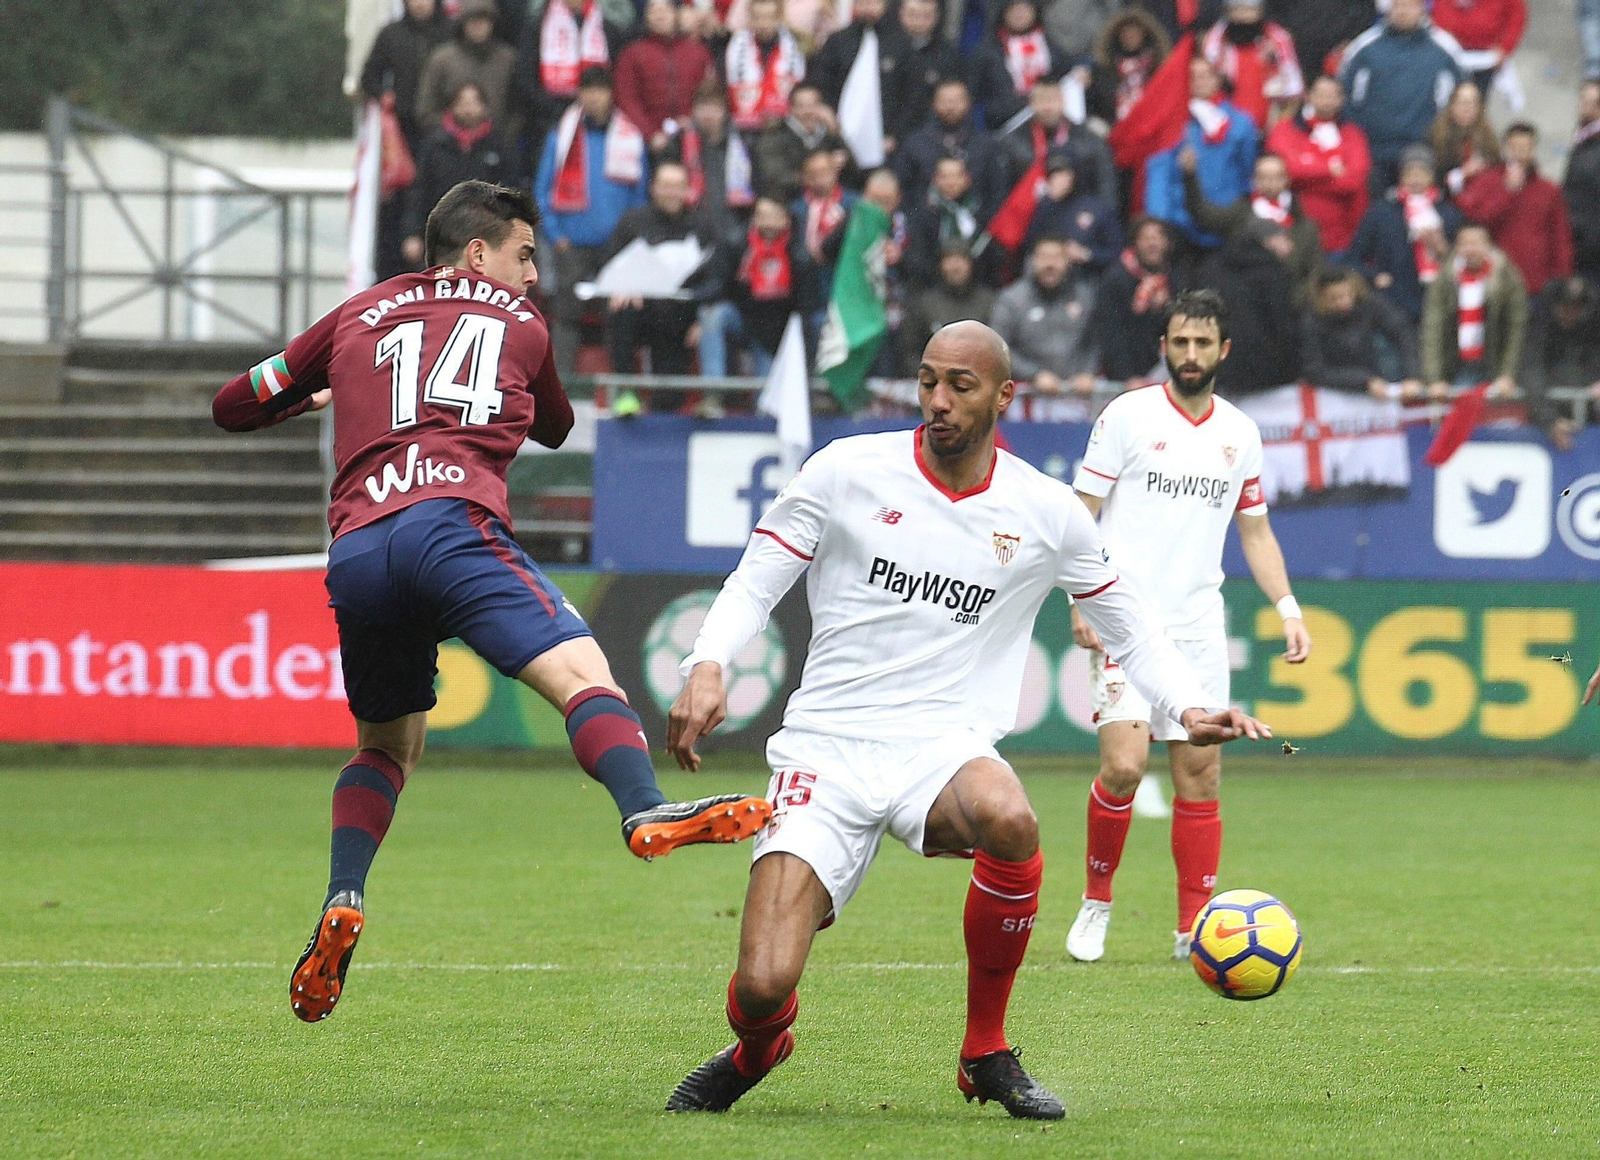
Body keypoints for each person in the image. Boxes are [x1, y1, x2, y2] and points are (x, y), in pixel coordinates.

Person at [663, 317, 1271, 1117]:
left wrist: (1185, 705)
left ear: (1003, 396)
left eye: (960, 385)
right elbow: (755, 579)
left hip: (941, 748)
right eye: (927, 381)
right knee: (761, 983)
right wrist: (706, 662)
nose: (938, 400)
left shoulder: (1046, 511)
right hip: (827, 748)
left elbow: (1126, 620)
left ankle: (985, 1051)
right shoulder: (847, 471)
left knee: (1010, 817)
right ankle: (759, 1044)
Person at [210, 181, 772, 1023]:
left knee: (390, 747)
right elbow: (552, 425)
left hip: (359, 550)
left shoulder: (358, 312)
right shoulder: (522, 324)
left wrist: (315, 389)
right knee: (584, 674)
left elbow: (234, 405)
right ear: (478, 253)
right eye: (524, 254)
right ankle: (644, 807)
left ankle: (344, 894)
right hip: (450, 526)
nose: (532, 274)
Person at [1065, 289, 1309, 964]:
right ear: (1164, 347)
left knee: (1200, 775)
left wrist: (1288, 609)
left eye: (1203, 344)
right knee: (1122, 765)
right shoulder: (1126, 416)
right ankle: (1096, 904)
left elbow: (1255, 531)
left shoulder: (1241, 433)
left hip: (1198, 624)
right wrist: (1078, 600)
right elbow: (1079, 513)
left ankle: (1193, 929)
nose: (1191, 354)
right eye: (1180, 342)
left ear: (1223, 351)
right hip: (1122, 616)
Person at [533, 66, 649, 377]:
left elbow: (640, 197)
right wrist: (556, 235)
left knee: (618, 320)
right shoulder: (561, 138)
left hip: (616, 247)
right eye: (588, 90)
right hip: (571, 244)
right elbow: (541, 193)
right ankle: (561, 390)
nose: (594, 97)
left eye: (601, 90)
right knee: (566, 318)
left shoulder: (630, 138)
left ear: (611, 95)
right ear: (579, 95)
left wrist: (630, 241)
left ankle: (620, 390)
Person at [361, 0, 455, 280]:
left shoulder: (449, 32)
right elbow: (369, 78)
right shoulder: (391, 34)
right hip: (402, 136)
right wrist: (387, 97)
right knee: (398, 204)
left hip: (441, 133)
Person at [602, 161, 720, 380]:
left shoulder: (702, 224)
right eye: (666, 186)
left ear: (687, 189)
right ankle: (625, 391)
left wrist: (701, 315)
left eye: (678, 186)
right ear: (653, 188)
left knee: (669, 392)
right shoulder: (632, 221)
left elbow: (713, 278)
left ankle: (664, 405)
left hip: (680, 313)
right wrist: (622, 287)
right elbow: (610, 263)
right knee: (621, 310)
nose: (672, 193)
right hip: (640, 308)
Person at [1339, 0, 1463, 194]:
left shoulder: (1445, 48)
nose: (1403, 11)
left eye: (1410, 5)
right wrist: (1358, 139)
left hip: (1424, 150)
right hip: (1374, 150)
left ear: (1422, 9)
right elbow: (1346, 95)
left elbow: (1460, 96)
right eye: (1398, 5)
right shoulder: (1364, 47)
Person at [1143, 55, 1259, 252]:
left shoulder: (1241, 123)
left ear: (1218, 79)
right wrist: (1159, 220)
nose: (1199, 82)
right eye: (1193, 76)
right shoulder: (1174, 122)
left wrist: (1238, 212)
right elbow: (1159, 173)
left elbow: (1248, 173)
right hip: (1181, 224)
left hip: (1225, 221)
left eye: (1206, 75)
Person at [1347, 144, 1463, 324]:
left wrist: (1442, 248)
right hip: (1392, 300)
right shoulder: (1382, 212)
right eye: (1410, 174)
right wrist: (1373, 276)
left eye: (1422, 173)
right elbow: (1354, 258)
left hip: (1437, 301)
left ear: (1432, 177)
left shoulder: (1448, 214)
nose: (1416, 180)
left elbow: (1462, 262)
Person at [1457, 123, 1574, 298]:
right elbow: (1476, 221)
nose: (1519, 153)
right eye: (1514, 147)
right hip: (1492, 280)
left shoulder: (1548, 190)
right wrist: (1507, 191)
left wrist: (1561, 279)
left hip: (1535, 282)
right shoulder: (1487, 181)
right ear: (1506, 148)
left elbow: (1560, 237)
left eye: (1525, 147)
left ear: (1534, 149)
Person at [401, 83, 512, 268]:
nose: (469, 110)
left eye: (474, 103)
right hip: (442, 236)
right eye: (463, 103)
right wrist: (412, 234)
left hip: (486, 237)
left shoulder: (498, 145)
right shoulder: (435, 145)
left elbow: (510, 194)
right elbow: (418, 193)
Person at [990, 237, 1100, 419]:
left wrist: (1088, 372)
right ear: (1032, 261)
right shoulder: (1011, 299)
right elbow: (998, 348)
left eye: (1057, 257)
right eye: (1043, 257)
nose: (1050, 264)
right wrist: (1034, 374)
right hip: (1026, 397)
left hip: (1078, 396)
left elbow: (1096, 341)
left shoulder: (1085, 297)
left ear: (1068, 261)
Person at [697, 195, 806, 378]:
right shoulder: (735, 244)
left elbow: (804, 304)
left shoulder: (799, 254)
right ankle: (713, 393)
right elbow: (718, 286)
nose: (768, 222)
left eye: (775, 216)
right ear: (754, 219)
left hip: (775, 331)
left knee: (764, 400)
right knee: (712, 315)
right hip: (742, 318)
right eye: (763, 216)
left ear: (787, 220)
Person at [1182, 150, 1321, 293]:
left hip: (1291, 300)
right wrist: (1190, 177)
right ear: (1254, 180)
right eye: (1263, 177)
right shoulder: (1241, 212)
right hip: (1246, 295)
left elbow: (1314, 272)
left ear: (1286, 179)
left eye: (1276, 177)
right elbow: (1205, 215)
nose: (1270, 183)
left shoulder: (1304, 225)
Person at [1265, 74, 1371, 256]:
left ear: (1341, 99)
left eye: (1332, 95)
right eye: (1321, 94)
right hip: (1294, 235)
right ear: (1309, 96)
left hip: (1343, 238)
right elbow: (1285, 171)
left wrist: (1306, 177)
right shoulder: (1285, 129)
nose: (1327, 101)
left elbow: (1353, 181)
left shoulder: (1353, 134)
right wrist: (1330, 169)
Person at [1420, 223, 1528, 402]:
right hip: (1458, 367)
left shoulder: (1507, 278)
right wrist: (1435, 379)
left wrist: (1507, 374)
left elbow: (1516, 331)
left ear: (1488, 246)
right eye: (1465, 244)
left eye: (1477, 243)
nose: (1471, 249)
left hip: (1495, 365)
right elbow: (1433, 330)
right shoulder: (1445, 280)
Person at [1198, 218, 1302, 393]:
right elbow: (1282, 324)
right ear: (1269, 241)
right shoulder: (1273, 271)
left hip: (1221, 369)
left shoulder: (1211, 267)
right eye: (1285, 238)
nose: (1291, 247)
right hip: (1267, 374)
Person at [514, 0, 629, 144]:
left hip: (598, 119)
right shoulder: (538, 26)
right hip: (548, 118)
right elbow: (526, 77)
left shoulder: (606, 28)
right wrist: (555, 110)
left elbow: (616, 76)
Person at [895, 78, 1009, 219]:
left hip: (977, 223)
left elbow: (997, 190)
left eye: (957, 101)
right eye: (945, 101)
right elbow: (902, 188)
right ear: (934, 104)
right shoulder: (915, 143)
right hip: (925, 224)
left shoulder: (986, 144)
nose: (951, 107)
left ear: (968, 103)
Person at [1300, 266, 1421, 397]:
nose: (1345, 302)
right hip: (1340, 393)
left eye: (1349, 294)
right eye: (1335, 298)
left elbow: (1402, 333)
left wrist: (1413, 375)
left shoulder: (1370, 304)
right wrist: (1364, 382)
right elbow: (1315, 370)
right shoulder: (1311, 322)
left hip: (1382, 379)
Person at [614, 0, 716, 153]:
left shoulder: (698, 53)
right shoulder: (632, 54)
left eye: (664, 10)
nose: (659, 16)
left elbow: (708, 93)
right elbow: (626, 98)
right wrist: (650, 134)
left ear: (676, 14)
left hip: (693, 135)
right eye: (653, 11)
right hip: (645, 141)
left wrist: (692, 121)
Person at [1094, 216, 1182, 388]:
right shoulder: (1116, 278)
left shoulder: (1175, 280)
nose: (1152, 244)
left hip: (1164, 377)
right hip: (1126, 380)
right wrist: (1126, 376)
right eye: (1146, 238)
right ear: (1135, 243)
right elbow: (1111, 331)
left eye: (1157, 238)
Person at [999, 77, 1118, 203]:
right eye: (1041, 100)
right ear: (1031, 103)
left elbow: (1106, 187)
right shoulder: (1012, 142)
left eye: (1053, 100)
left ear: (1063, 101)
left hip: (1076, 213)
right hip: (1029, 211)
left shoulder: (1089, 140)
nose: (1048, 107)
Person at [660, 80, 755, 238]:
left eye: (714, 107)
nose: (708, 114)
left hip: (735, 229)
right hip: (689, 228)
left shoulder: (743, 143)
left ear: (725, 111)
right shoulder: (679, 141)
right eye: (702, 107)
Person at [415, 0, 520, 142]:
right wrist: (455, 131)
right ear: (462, 23)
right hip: (450, 149)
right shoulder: (442, 59)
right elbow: (425, 110)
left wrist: (502, 136)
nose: (478, 25)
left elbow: (520, 109)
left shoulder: (508, 60)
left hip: (497, 147)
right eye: (472, 19)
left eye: (483, 19)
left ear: (492, 23)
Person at [1521, 276, 1600, 451]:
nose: (1569, 314)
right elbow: (1531, 372)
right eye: (1564, 308)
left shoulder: (1592, 327)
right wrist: (1549, 420)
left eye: (1575, 309)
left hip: (1589, 418)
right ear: (1554, 305)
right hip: (1547, 414)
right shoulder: (1539, 327)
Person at [967, 0, 1074, 129]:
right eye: (1013, 8)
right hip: (1003, 126)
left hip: (1049, 125)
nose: (1019, 14)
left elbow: (1066, 77)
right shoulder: (987, 50)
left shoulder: (1051, 47)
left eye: (1025, 8)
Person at [1197, 0, 1303, 130]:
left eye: (1249, 10)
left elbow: (1294, 91)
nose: (1243, 16)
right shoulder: (1216, 40)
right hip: (1224, 128)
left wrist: (1278, 127)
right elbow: (1203, 86)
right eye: (1237, 10)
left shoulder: (1278, 39)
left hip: (1269, 124)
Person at [900, 239, 998, 373]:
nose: (955, 266)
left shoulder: (989, 302)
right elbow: (909, 352)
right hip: (934, 379)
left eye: (961, 259)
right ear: (940, 265)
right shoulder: (925, 303)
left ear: (971, 264)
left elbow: (998, 350)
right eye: (949, 260)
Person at [1023, 148, 1123, 274]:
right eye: (1054, 174)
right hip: (1047, 275)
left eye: (1063, 173)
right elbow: (1029, 244)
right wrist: (1048, 204)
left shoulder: (1098, 209)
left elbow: (1116, 252)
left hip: (1086, 278)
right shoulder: (1044, 206)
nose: (1059, 179)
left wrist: (1087, 255)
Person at [756, 83, 852, 204]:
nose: (808, 112)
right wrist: (816, 176)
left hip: (834, 201)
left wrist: (836, 133)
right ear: (791, 109)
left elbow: (855, 172)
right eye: (801, 106)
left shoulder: (829, 134)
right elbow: (774, 176)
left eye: (813, 105)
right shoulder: (776, 135)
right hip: (790, 202)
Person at [887, 0, 962, 148]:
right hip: (887, 136)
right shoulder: (883, 48)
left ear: (936, 17)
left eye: (926, 16)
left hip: (930, 138)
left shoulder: (947, 55)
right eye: (913, 15)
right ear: (901, 14)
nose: (919, 22)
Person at [725, 0, 807, 135]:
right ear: (750, 18)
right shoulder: (735, 46)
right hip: (744, 125)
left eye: (769, 18)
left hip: (784, 128)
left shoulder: (796, 45)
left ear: (779, 18)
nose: (763, 24)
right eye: (758, 18)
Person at [1087, 8, 1170, 131]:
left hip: (1152, 128)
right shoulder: (1104, 70)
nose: (1130, 37)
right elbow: (1094, 105)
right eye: (1125, 33)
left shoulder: (1158, 68)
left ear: (1144, 34)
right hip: (1113, 130)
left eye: (1134, 32)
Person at [1430, 0, 1526, 97]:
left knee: (1477, 101)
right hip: (1451, 53)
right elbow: (1438, 14)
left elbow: (1516, 16)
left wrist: (1505, 47)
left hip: (1487, 57)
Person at [1428, 80, 1499, 197]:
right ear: (1451, 106)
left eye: (1472, 103)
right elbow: (1432, 181)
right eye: (1462, 103)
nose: (1467, 108)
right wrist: (1462, 173)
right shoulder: (1435, 137)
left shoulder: (1488, 138)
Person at [1565, 81, 1600, 284]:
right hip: (1579, 233)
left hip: (1589, 237)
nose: (1583, 105)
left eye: (1590, 101)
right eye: (1583, 99)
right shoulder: (1583, 137)